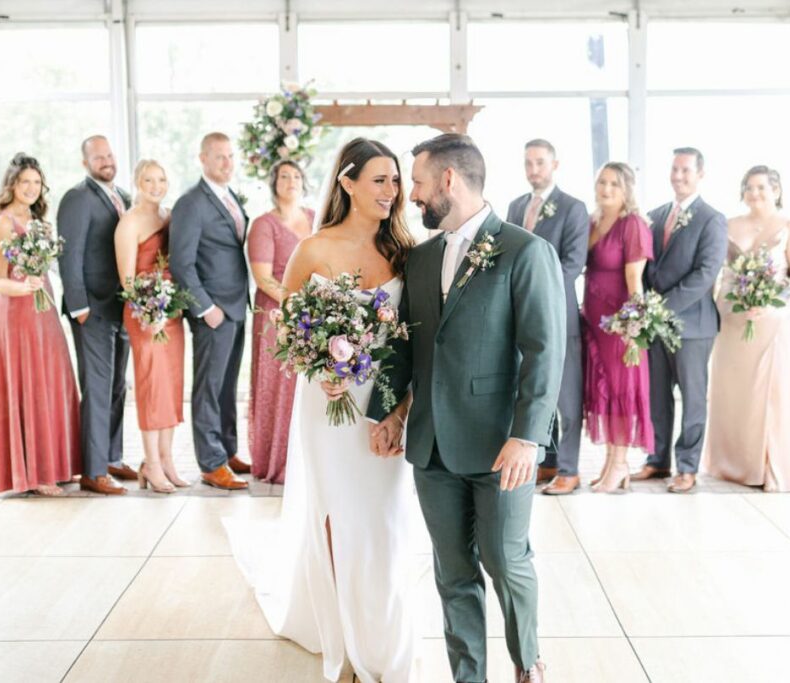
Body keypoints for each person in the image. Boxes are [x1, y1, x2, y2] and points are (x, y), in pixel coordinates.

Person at [369, 134, 566, 683]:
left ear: (449, 182)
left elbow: (545, 352)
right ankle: (469, 676)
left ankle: (527, 663)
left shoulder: (526, 252)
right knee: (452, 572)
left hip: (501, 443)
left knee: (505, 560)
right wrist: (390, 411)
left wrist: (528, 437)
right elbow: (405, 343)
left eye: (420, 183)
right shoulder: (423, 256)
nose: (413, 196)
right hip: (432, 444)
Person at [225, 138, 417, 682]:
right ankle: (345, 649)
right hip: (328, 402)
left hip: (385, 404)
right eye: (379, 179)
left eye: (396, 180)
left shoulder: (406, 249)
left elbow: (416, 340)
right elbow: (286, 326)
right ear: (348, 183)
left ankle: (378, 633)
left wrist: (398, 408)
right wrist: (320, 370)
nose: (391, 191)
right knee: (334, 519)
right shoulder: (313, 249)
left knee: (380, 522)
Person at [703, 166, 790, 492]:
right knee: (734, 391)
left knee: (771, 393)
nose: (755, 194)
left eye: (762, 188)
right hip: (734, 319)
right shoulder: (729, 225)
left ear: (777, 191)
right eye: (749, 188)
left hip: (776, 320)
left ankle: (770, 466)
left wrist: (770, 302)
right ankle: (733, 462)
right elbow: (718, 269)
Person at [0, 154, 81, 495]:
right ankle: (35, 474)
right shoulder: (2, 223)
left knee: (52, 382)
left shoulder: (40, 221)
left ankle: (56, 464)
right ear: (12, 184)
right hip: (17, 314)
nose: (30, 188)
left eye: (36, 182)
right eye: (24, 181)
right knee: (30, 387)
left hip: (44, 309)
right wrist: (23, 286)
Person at [638, 147, 727, 494]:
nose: (678, 176)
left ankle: (687, 467)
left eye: (686, 170)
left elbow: (706, 273)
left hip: (693, 326)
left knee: (692, 398)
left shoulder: (712, 218)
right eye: (674, 169)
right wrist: (646, 306)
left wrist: (662, 308)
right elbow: (644, 265)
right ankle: (656, 460)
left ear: (700, 174)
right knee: (657, 396)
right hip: (656, 326)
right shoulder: (655, 215)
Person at [506, 139, 589, 495]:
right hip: (517, 315)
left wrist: (535, 292)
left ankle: (570, 469)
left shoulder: (574, 208)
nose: (533, 169)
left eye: (539, 162)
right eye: (528, 163)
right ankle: (548, 461)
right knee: (534, 389)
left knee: (566, 396)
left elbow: (573, 263)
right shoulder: (515, 206)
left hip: (559, 314)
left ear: (555, 165)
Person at [169, 132, 251, 490]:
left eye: (231, 156)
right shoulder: (191, 203)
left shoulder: (230, 197)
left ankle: (227, 449)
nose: (227, 163)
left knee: (227, 385)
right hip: (214, 311)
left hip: (237, 306)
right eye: (219, 157)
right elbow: (181, 264)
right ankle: (211, 462)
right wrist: (205, 308)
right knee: (208, 387)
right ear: (202, 159)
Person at [57, 135, 134, 495]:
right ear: (85, 162)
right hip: (92, 311)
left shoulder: (124, 198)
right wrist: (79, 307)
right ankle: (92, 469)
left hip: (121, 309)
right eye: (97, 156)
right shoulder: (77, 198)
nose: (106, 161)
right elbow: (69, 257)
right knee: (98, 389)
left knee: (118, 387)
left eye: (109, 154)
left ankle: (112, 457)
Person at [581, 162, 654, 493]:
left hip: (619, 323)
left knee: (621, 391)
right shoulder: (593, 221)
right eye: (601, 182)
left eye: (613, 184)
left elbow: (634, 279)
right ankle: (611, 462)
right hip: (594, 320)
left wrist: (633, 325)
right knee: (605, 391)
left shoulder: (633, 224)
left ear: (626, 189)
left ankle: (621, 463)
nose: (606, 189)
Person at [114, 160, 186, 494]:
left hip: (171, 311)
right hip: (145, 314)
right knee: (151, 386)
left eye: (161, 178)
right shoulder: (129, 223)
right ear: (137, 182)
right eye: (148, 179)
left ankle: (167, 460)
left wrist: (168, 303)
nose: (156, 185)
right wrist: (149, 308)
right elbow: (127, 281)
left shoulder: (169, 216)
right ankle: (151, 463)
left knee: (171, 385)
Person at [247, 160, 314, 484]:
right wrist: (295, 303)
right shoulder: (263, 224)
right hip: (276, 316)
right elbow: (262, 278)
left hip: (314, 316)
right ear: (274, 183)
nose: (291, 181)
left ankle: (309, 461)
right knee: (280, 385)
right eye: (284, 175)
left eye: (296, 176)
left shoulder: (317, 219)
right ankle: (277, 462)